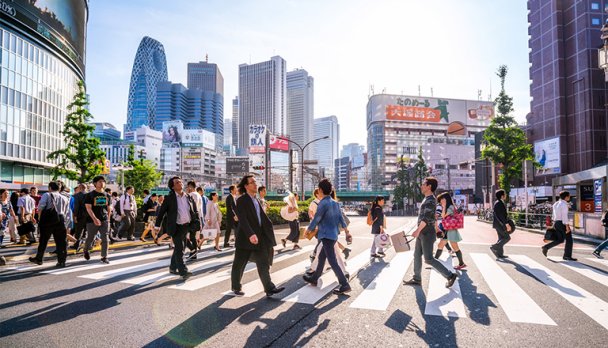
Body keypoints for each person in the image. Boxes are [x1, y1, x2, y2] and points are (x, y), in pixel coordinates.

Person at [230, 175, 284, 297]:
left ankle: (269, 288)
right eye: (252, 182)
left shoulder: (257, 200)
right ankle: (236, 286)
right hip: (245, 238)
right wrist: (250, 234)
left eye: (256, 182)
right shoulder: (242, 200)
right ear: (246, 186)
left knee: (263, 263)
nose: (255, 184)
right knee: (239, 263)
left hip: (259, 237)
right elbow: (243, 220)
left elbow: (261, 218)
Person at [404, 177, 458, 288]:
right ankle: (417, 278)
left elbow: (426, 218)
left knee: (428, 259)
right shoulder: (426, 199)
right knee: (417, 255)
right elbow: (433, 217)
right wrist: (437, 229)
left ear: (429, 186)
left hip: (426, 233)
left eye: (423, 184)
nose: (421, 186)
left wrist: (417, 230)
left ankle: (450, 275)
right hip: (423, 232)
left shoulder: (430, 200)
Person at [303, 179, 353, 295]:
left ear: (320, 190)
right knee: (321, 257)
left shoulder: (323, 203)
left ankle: (344, 284)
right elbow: (341, 219)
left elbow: (316, 219)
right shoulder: (335, 203)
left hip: (326, 235)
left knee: (332, 261)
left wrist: (308, 230)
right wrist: (347, 232)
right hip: (334, 235)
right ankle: (314, 278)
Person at [155, 176, 200, 279]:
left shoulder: (188, 196)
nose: (180, 183)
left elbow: (194, 211)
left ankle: (172, 267)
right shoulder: (169, 198)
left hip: (186, 226)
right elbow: (161, 213)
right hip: (175, 227)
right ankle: (183, 271)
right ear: (172, 187)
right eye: (177, 182)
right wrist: (157, 226)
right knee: (180, 249)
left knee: (180, 248)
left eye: (180, 181)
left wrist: (197, 223)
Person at [29, 181, 70, 267]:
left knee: (43, 240)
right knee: (61, 242)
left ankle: (39, 258)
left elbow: (40, 207)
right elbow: (66, 212)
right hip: (61, 220)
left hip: (48, 220)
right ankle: (61, 261)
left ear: (50, 188)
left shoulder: (47, 195)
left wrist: (40, 219)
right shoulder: (65, 198)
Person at [82, 176, 112, 263]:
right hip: (92, 220)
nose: (102, 183)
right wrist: (95, 219)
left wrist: (108, 219)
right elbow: (88, 208)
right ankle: (86, 250)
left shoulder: (108, 195)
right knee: (91, 237)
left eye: (103, 181)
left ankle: (104, 256)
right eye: (99, 181)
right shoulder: (89, 195)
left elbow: (109, 208)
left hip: (105, 220)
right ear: (95, 183)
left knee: (105, 238)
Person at [542, 191, 577, 261]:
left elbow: (554, 215)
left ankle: (546, 247)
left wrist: (553, 223)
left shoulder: (556, 203)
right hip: (562, 223)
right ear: (566, 197)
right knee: (569, 239)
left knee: (560, 239)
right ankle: (567, 256)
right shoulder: (564, 205)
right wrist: (567, 226)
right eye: (569, 196)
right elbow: (564, 216)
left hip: (557, 223)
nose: (569, 197)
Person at [436, 192, 466, 270]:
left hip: (451, 229)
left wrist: (444, 205)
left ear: (445, 199)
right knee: (440, 245)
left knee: (455, 247)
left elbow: (443, 216)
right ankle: (434, 261)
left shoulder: (450, 207)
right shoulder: (447, 207)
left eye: (442, 199)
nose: (440, 201)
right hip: (447, 229)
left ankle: (461, 263)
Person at [491, 189, 511, 259]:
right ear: (502, 196)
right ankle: (494, 247)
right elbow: (500, 215)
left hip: (497, 224)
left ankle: (499, 254)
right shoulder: (499, 203)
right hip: (500, 224)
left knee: (501, 238)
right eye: (505, 194)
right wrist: (506, 223)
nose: (506, 195)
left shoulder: (498, 202)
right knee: (507, 237)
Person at [186, 181, 204, 259]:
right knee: (192, 237)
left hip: (190, 218)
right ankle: (193, 253)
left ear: (190, 187)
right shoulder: (199, 195)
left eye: (187, 187)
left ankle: (193, 250)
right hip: (197, 218)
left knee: (183, 236)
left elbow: (188, 208)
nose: (186, 189)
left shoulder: (191, 195)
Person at [71, 183, 88, 250]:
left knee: (78, 231)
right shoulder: (89, 195)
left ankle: (76, 245)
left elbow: (76, 207)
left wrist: (75, 216)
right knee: (87, 231)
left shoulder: (77, 196)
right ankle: (89, 245)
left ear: (80, 188)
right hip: (89, 216)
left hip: (80, 216)